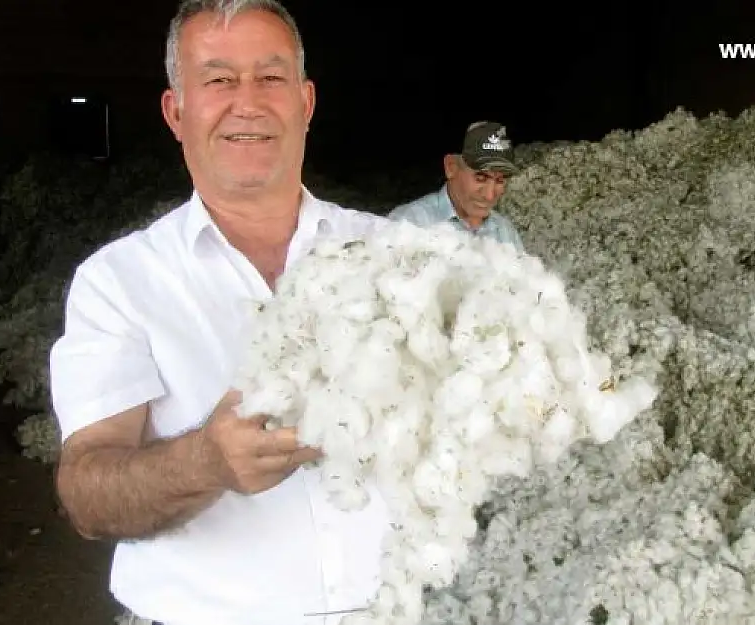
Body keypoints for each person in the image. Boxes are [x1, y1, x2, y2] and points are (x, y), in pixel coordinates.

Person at [48, 2, 392, 624]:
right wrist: (206, 462)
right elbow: (87, 496)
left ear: (306, 103)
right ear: (176, 112)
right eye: (218, 80)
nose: (248, 102)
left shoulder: (393, 256)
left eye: (271, 77)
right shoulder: (119, 282)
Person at [389, 121, 526, 252]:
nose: (489, 195)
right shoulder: (410, 224)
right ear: (451, 167)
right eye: (480, 178)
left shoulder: (505, 232)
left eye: (500, 180)